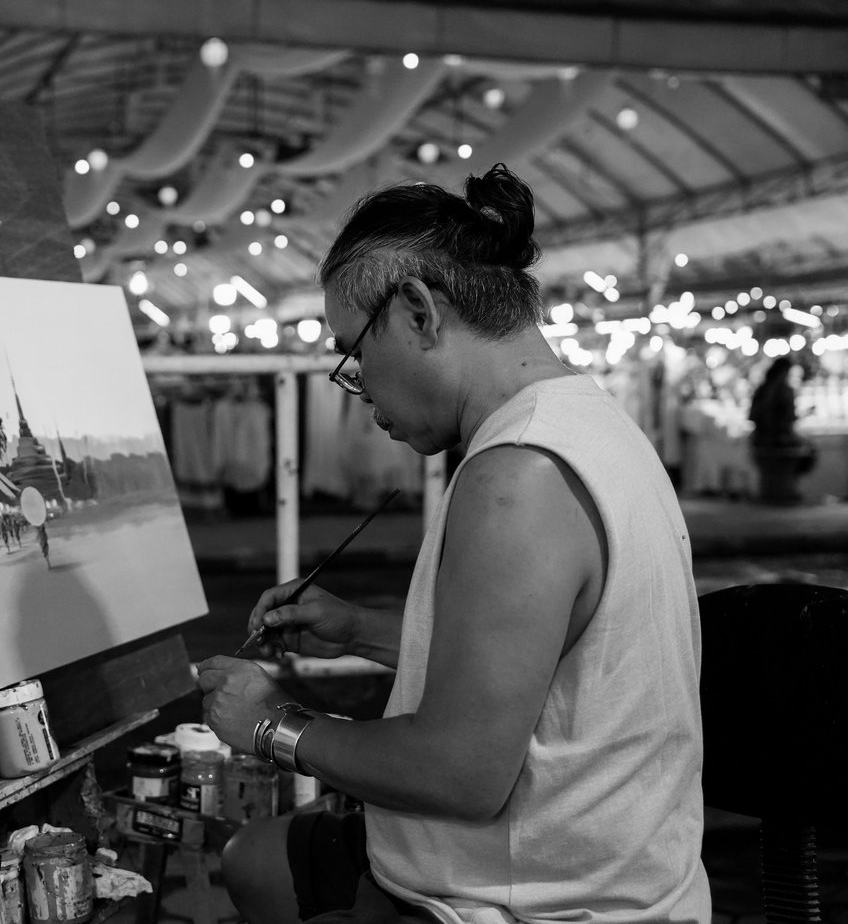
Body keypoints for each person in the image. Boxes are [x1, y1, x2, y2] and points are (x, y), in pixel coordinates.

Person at [196, 164, 709, 924]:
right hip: (592, 874)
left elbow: (461, 773)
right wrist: (362, 631)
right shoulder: (583, 423)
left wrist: (275, 724)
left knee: (253, 864)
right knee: (259, 860)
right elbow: (538, 671)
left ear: (418, 313)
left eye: (354, 356)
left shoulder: (517, 480)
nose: (360, 389)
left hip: (531, 904)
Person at [748, 357, 813, 503]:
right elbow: (790, 418)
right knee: (809, 449)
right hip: (777, 438)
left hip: (760, 436)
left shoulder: (762, 388)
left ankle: (778, 490)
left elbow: (752, 415)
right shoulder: (784, 390)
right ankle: (787, 489)